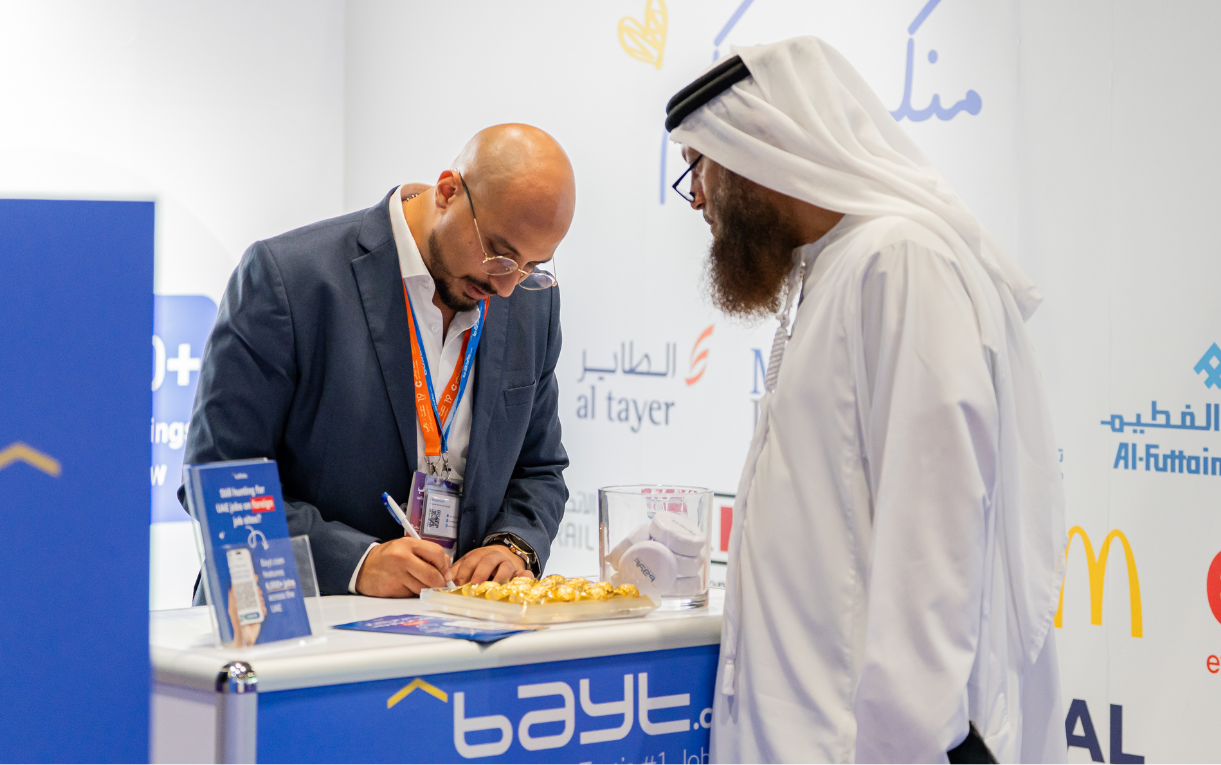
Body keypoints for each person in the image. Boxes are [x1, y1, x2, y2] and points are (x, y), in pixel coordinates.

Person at [665, 38, 1067, 763]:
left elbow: (932, 548)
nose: (696, 197)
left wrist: (909, 742)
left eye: (699, 165)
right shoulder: (829, 272)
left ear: (756, 145)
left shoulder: (898, 261)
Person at [182, 124, 575, 598]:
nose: (507, 286)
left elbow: (539, 469)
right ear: (447, 192)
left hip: (456, 626)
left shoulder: (532, 302)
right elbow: (218, 481)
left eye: (532, 266)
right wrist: (357, 563)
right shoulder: (289, 278)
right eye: (499, 253)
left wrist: (513, 545)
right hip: (298, 620)